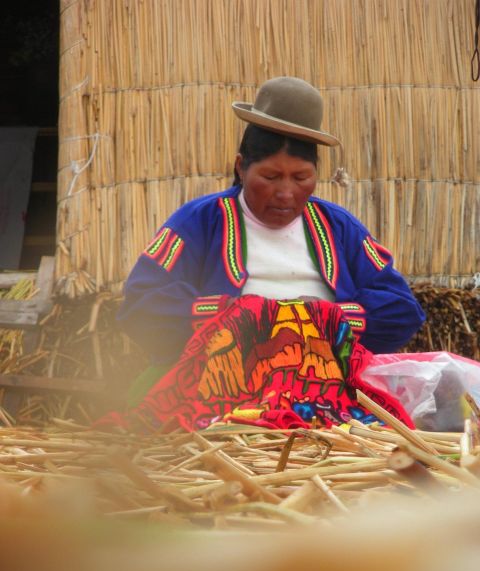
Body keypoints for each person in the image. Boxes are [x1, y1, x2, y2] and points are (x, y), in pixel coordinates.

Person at [114, 77, 424, 430]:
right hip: (220, 389)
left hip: (325, 393)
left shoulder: (339, 227)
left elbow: (401, 309)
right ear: (240, 167)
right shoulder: (200, 221)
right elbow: (141, 304)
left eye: (302, 177)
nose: (286, 193)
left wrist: (321, 322)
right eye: (271, 176)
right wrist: (237, 319)